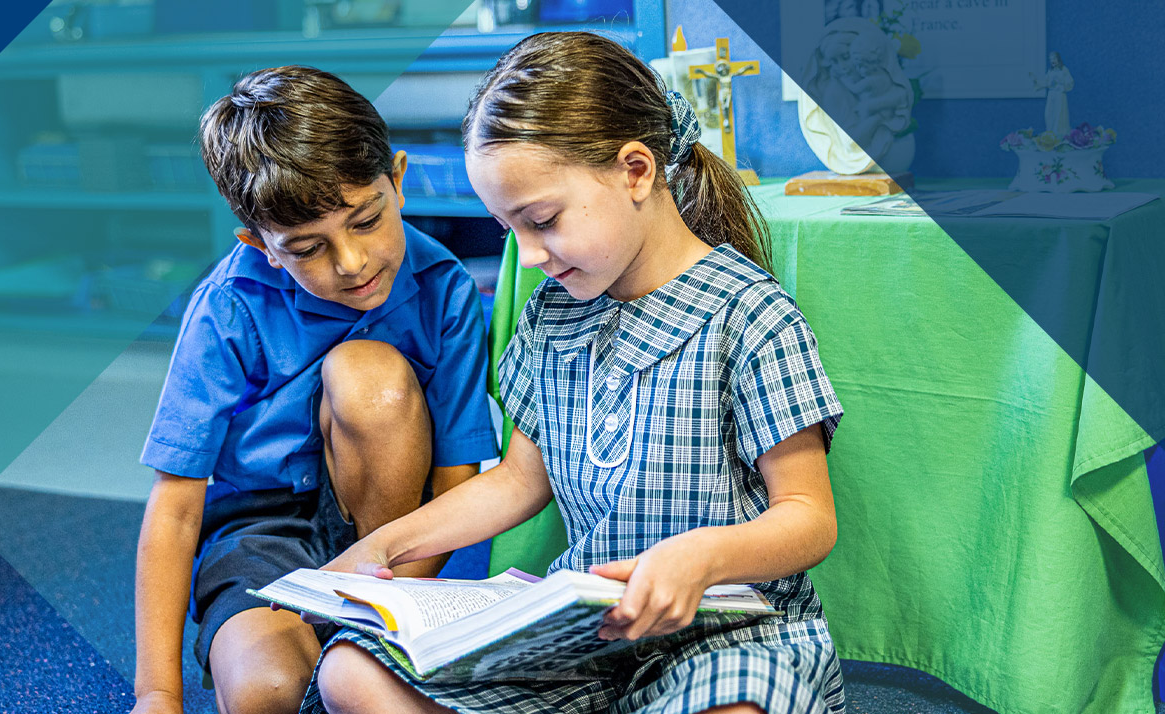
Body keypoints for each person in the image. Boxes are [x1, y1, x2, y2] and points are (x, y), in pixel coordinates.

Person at [308, 32, 847, 714]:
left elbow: (809, 518)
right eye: (509, 230)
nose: (528, 255)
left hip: (726, 632)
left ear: (636, 171)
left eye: (543, 220)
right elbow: (518, 481)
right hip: (582, 636)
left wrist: (700, 559)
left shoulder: (750, 314)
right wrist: (389, 543)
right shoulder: (548, 316)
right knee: (349, 674)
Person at [130, 66, 499, 714]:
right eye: (307, 248)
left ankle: (374, 622)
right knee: (266, 695)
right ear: (261, 246)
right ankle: (333, 646)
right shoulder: (228, 307)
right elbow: (177, 507)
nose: (352, 263)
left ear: (399, 180)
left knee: (368, 375)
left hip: (392, 531)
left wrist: (390, 601)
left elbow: (455, 483)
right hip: (260, 528)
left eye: (365, 220)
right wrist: (156, 694)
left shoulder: (446, 289)